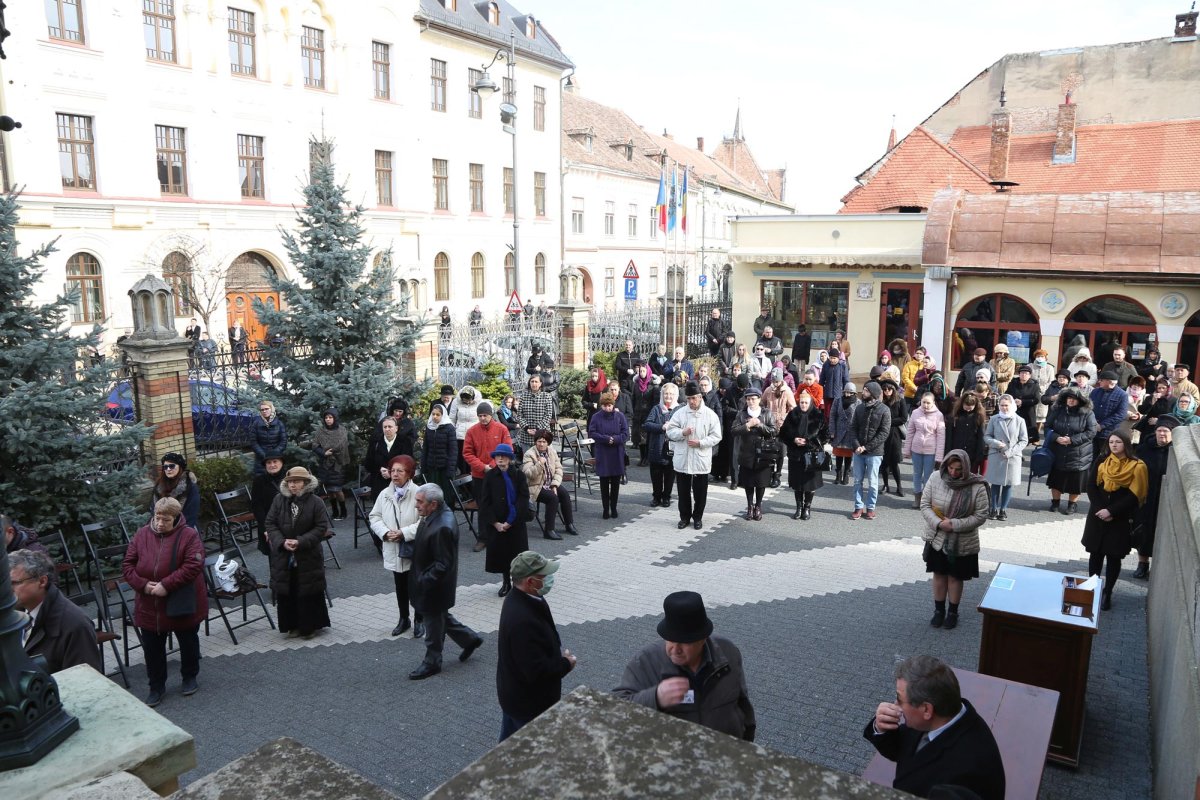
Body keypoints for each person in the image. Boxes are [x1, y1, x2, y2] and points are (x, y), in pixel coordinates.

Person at [614, 590, 755, 741]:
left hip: (725, 756)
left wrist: (747, 748)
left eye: (684, 641)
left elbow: (743, 706)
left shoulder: (728, 652)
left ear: (702, 639)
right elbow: (614, 708)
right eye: (670, 639)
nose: (675, 649)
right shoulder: (645, 662)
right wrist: (655, 697)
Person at [864, 654, 1005, 800]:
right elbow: (903, 751)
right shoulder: (942, 715)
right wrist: (881, 728)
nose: (895, 705)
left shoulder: (967, 771)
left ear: (926, 710)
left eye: (899, 699)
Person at [123, 497, 207, 707]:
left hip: (180, 601)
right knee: (152, 648)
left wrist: (166, 585)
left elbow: (193, 565)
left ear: (176, 518)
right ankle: (156, 686)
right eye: (157, 518)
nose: (160, 523)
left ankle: (189, 677)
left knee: (188, 640)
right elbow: (127, 565)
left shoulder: (189, 535)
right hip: (149, 603)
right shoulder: (142, 534)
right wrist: (143, 585)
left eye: (166, 519)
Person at [497, 551, 577, 741]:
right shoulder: (522, 620)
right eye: (544, 575)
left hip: (514, 696)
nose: (549, 579)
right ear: (530, 582)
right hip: (528, 705)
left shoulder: (523, 598)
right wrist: (566, 663)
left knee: (508, 748)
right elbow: (536, 671)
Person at [407, 483, 483, 680]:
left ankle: (432, 662)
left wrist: (423, 581)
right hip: (432, 586)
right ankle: (470, 640)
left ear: (433, 504)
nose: (416, 505)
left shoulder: (442, 526)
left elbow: (443, 565)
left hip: (434, 589)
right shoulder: (434, 516)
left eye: (419, 501)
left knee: (433, 627)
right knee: (441, 618)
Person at [919, 452, 990, 630]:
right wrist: (938, 523)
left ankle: (953, 612)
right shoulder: (936, 477)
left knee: (955, 577)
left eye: (958, 469)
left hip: (962, 541)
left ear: (966, 468)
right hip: (938, 537)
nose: (953, 473)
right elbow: (925, 504)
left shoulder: (977, 485)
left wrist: (955, 524)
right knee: (939, 574)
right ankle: (938, 611)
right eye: (950, 468)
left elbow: (981, 515)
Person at [1082, 429, 1148, 610]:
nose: (1114, 445)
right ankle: (1093, 589)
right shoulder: (1102, 460)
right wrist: (1100, 509)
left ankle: (1108, 592)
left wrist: (1111, 511)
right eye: (1111, 442)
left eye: (1118, 442)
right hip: (1097, 514)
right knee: (1095, 554)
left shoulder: (1137, 465)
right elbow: (1091, 485)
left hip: (1120, 517)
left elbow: (1135, 495)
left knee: (1113, 556)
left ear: (1126, 444)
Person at [10, 548, 102, 673]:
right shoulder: (17, 613)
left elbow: (85, 682)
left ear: (42, 581)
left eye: (14, 583)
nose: (6, 589)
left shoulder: (75, 625)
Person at [266, 466, 331, 639]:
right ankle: (291, 625)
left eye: (297, 482)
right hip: (284, 554)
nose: (293, 485)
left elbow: (321, 527)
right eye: (290, 482)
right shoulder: (279, 500)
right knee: (288, 589)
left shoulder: (316, 502)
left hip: (308, 554)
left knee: (307, 590)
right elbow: (270, 523)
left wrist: (301, 541)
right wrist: (281, 541)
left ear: (306, 483)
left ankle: (309, 627)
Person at [369, 455, 424, 638]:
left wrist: (404, 533)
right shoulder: (384, 494)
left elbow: (425, 521)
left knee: (416, 586)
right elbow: (374, 517)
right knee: (400, 586)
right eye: (392, 470)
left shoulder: (419, 493)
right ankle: (403, 619)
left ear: (409, 474)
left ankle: (419, 619)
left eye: (400, 471)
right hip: (393, 547)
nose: (395, 474)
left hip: (413, 549)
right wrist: (385, 532)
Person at [666, 382, 723, 530]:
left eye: (694, 398)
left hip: (700, 459)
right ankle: (684, 517)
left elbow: (717, 436)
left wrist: (701, 442)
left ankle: (697, 517)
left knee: (700, 493)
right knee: (683, 492)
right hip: (682, 458)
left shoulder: (710, 415)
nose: (691, 401)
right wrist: (682, 433)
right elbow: (670, 431)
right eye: (689, 398)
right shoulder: (680, 413)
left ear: (700, 397)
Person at [478, 443, 530, 598]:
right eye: (497, 456)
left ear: (509, 458)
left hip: (515, 523)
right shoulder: (490, 475)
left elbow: (523, 498)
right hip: (497, 523)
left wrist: (511, 521)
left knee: (517, 554)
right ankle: (506, 582)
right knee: (502, 555)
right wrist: (495, 523)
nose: (500, 458)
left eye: (503, 456)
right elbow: (484, 501)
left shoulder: (519, 475)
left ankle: (517, 583)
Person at [1132, 416, 1179, 579]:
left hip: (1166, 499)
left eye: (1166, 431)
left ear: (1172, 434)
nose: (1162, 434)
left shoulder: (1177, 451)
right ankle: (1142, 563)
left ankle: (1158, 567)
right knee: (1143, 531)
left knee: (1162, 533)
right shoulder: (1145, 448)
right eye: (1159, 431)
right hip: (1146, 497)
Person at [1044, 386, 1097, 515]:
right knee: (1056, 479)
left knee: (1075, 482)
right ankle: (1055, 502)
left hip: (1079, 453)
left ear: (1081, 400)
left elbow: (1091, 432)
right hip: (1058, 450)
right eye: (1069, 398)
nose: (1071, 400)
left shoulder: (1087, 413)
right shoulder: (1057, 410)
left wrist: (1072, 440)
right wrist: (1056, 438)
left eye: (1074, 399)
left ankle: (1072, 504)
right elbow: (1047, 427)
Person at [732, 387, 778, 521]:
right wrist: (747, 426)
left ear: (759, 399)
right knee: (749, 482)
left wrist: (759, 425)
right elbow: (734, 430)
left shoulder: (766, 413)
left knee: (761, 482)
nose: (751, 401)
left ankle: (758, 506)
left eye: (753, 399)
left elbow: (774, 431)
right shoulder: (741, 414)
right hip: (746, 452)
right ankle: (749, 506)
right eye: (748, 399)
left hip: (763, 453)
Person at [522, 430, 577, 539]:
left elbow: (559, 469)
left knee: (565, 494)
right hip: (535, 486)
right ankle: (549, 530)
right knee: (553, 498)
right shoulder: (529, 454)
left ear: (548, 443)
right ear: (535, 442)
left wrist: (554, 485)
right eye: (539, 441)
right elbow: (528, 474)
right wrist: (539, 463)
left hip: (550, 484)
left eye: (544, 442)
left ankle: (569, 524)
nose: (541, 444)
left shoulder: (552, 452)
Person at [780, 391, 827, 520]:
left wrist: (808, 441)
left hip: (812, 455)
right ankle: (798, 507)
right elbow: (783, 434)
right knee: (797, 484)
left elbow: (825, 436)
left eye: (806, 402)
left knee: (810, 484)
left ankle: (807, 508)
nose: (804, 405)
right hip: (796, 455)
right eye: (801, 402)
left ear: (810, 402)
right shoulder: (792, 414)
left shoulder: (818, 415)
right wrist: (793, 440)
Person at [849, 382, 890, 520]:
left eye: (866, 390)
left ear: (873, 393)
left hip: (875, 452)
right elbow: (853, 428)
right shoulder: (859, 408)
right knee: (857, 481)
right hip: (858, 451)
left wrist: (866, 447)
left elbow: (884, 433)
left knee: (872, 482)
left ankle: (871, 507)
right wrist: (856, 445)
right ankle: (858, 507)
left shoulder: (884, 410)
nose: (863, 392)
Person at [983, 394, 1028, 520]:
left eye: (1006, 405)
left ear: (1012, 405)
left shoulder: (1020, 420)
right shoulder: (994, 419)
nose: (1004, 408)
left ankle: (1003, 510)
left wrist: (1010, 452)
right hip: (996, 455)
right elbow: (987, 436)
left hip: (1012, 457)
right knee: (995, 484)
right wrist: (995, 443)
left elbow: (1024, 441)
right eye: (1002, 405)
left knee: (1008, 484)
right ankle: (993, 509)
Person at [590, 391, 629, 520]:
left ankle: (614, 508)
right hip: (603, 453)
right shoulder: (596, 417)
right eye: (605, 405)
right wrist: (606, 439)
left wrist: (615, 439)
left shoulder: (620, 416)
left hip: (616, 453)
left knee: (616, 484)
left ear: (613, 405)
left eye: (609, 405)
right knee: (604, 483)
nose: (607, 408)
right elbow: (592, 433)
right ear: (601, 405)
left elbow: (625, 434)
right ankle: (605, 509)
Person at [904, 392, 946, 510]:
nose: (926, 405)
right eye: (924, 402)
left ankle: (926, 499)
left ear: (933, 403)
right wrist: (907, 450)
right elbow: (910, 431)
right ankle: (917, 496)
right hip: (916, 449)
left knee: (928, 476)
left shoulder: (939, 415)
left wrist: (939, 456)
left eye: (928, 403)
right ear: (920, 402)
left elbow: (941, 436)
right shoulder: (915, 413)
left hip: (930, 451)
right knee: (917, 474)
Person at [643, 382, 679, 508]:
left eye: (671, 394)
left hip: (672, 449)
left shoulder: (679, 409)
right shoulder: (656, 408)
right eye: (666, 394)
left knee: (669, 476)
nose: (668, 396)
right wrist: (661, 427)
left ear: (675, 395)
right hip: (656, 447)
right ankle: (656, 497)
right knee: (656, 475)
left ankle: (666, 497)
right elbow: (647, 424)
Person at [312, 409, 350, 520]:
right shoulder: (320, 431)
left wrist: (332, 452)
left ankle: (343, 511)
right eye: (326, 418)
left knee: (337, 489)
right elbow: (315, 445)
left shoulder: (342, 430)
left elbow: (342, 445)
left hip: (338, 463)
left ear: (335, 418)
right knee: (329, 490)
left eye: (330, 417)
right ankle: (334, 511)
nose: (328, 420)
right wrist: (324, 453)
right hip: (325, 464)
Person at [1089, 370, 1130, 468]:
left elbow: (1121, 414)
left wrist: (1102, 425)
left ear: (1109, 382)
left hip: (1109, 433)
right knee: (1091, 459)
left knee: (1106, 459)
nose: (1099, 382)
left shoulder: (1122, 395)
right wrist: (1092, 423)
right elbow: (1088, 409)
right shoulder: (1095, 392)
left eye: (1101, 380)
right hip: (1092, 431)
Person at [763, 369, 796, 488]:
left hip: (783, 426)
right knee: (770, 451)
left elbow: (793, 408)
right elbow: (762, 404)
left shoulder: (787, 391)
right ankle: (770, 474)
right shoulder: (768, 390)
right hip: (770, 426)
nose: (775, 383)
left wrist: (787, 419)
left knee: (781, 453)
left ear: (781, 380)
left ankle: (777, 475)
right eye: (773, 381)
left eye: (777, 381)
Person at [151, 452, 200, 530]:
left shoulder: (189, 486)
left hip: (184, 529)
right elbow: (153, 510)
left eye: (172, 466)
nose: (168, 469)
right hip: (160, 529)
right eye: (165, 467)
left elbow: (191, 514)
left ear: (180, 467)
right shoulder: (159, 486)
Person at [250, 452, 285, 555]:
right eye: (268, 463)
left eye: (275, 462)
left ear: (282, 463)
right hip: (271, 524)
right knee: (275, 559)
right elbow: (257, 507)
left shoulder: (289, 478)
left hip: (291, 523)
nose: (272, 465)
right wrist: (265, 528)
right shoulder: (259, 481)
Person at [364, 417, 407, 501]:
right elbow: (368, 464)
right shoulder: (375, 442)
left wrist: (391, 472)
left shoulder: (404, 442)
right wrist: (380, 469)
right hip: (379, 484)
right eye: (385, 427)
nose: (387, 429)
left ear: (396, 428)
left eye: (390, 427)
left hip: (399, 484)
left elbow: (408, 463)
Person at [422, 403, 458, 502]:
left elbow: (453, 450)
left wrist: (451, 470)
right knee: (432, 496)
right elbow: (426, 448)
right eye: (433, 414)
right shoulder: (429, 427)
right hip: (432, 467)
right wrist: (423, 467)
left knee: (446, 495)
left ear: (443, 415)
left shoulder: (449, 428)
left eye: (438, 414)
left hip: (445, 468)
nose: (435, 417)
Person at [879, 379, 909, 497]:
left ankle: (899, 486)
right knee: (885, 462)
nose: (887, 391)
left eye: (889, 389)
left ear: (894, 389)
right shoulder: (881, 402)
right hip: (883, 434)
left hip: (895, 434)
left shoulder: (900, 401)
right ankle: (886, 485)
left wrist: (888, 421)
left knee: (894, 462)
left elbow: (904, 418)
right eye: (885, 389)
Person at [829, 382, 860, 486]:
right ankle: (838, 474)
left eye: (850, 393)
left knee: (848, 455)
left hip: (851, 432)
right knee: (838, 455)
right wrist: (832, 431)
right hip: (839, 431)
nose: (847, 394)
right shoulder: (837, 401)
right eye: (846, 392)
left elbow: (859, 419)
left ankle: (846, 474)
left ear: (854, 393)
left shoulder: (858, 402)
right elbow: (832, 416)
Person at [516, 375, 555, 454]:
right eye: (532, 381)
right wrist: (526, 428)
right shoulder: (523, 396)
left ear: (540, 383)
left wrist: (537, 429)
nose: (534, 384)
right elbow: (519, 415)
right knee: (528, 462)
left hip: (543, 436)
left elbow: (548, 415)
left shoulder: (547, 396)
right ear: (529, 383)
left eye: (536, 381)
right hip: (526, 435)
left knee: (545, 461)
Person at [251, 399, 287, 476]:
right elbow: (253, 442)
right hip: (261, 458)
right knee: (261, 480)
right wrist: (264, 455)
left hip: (276, 457)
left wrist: (274, 454)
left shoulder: (279, 424)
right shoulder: (256, 424)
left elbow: (283, 441)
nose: (264, 411)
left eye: (266, 409)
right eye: (262, 410)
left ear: (272, 409)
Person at [451, 385, 482, 470]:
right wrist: (453, 431)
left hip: (474, 435)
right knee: (461, 458)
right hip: (460, 435)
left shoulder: (479, 402)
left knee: (473, 457)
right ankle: (462, 477)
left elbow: (481, 418)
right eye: (464, 400)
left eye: (468, 400)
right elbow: (452, 419)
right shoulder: (456, 402)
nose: (467, 402)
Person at [1009, 364, 1042, 445]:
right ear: (1019, 374)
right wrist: (1013, 401)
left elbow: (1036, 399)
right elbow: (1007, 394)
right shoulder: (1013, 383)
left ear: (1030, 375)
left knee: (1026, 430)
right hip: (1015, 410)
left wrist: (1022, 402)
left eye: (1026, 373)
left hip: (1028, 411)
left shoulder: (1034, 385)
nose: (1023, 375)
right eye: (1022, 373)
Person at [820, 348, 850, 413]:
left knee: (837, 413)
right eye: (831, 358)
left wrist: (845, 393)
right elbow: (822, 380)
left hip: (838, 395)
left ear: (838, 358)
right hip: (827, 394)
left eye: (834, 358)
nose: (832, 360)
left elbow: (846, 380)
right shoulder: (826, 365)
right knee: (827, 413)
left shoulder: (842, 365)